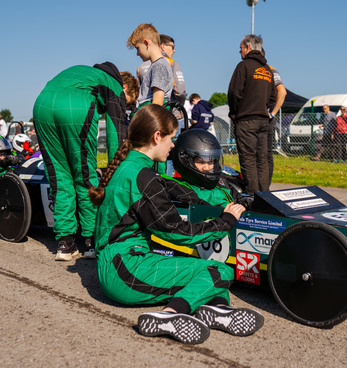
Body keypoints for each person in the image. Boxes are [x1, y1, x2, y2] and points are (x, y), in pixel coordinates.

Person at [88, 105, 263, 345]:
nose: (173, 145)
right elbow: (174, 231)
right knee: (220, 271)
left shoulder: (129, 166)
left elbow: (171, 189)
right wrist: (224, 222)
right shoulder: (143, 176)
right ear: (157, 136)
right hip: (125, 271)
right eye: (171, 138)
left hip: (117, 264)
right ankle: (170, 314)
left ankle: (218, 311)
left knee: (208, 273)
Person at [33, 61, 134, 261]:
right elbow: (114, 133)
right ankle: (90, 242)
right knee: (84, 176)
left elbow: (103, 134)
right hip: (73, 106)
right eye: (128, 102)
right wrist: (117, 169)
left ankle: (65, 244)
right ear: (125, 88)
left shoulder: (86, 74)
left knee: (60, 178)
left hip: (41, 105)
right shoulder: (114, 85)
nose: (125, 105)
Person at [228, 35, 276, 194]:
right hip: (263, 121)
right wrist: (263, 107)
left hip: (246, 120)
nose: (239, 51)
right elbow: (273, 97)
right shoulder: (268, 70)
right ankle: (264, 195)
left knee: (248, 159)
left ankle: (253, 197)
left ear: (248, 47)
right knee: (262, 159)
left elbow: (234, 93)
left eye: (241, 48)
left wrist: (235, 112)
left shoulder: (244, 66)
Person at [129, 24, 174, 107]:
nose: (137, 53)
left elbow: (157, 104)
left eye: (138, 48)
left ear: (146, 43)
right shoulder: (157, 65)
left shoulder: (159, 66)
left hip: (150, 116)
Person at [136, 34, 186, 106]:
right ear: (162, 46)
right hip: (166, 111)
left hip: (144, 110)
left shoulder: (140, 67)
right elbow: (180, 91)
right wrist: (179, 108)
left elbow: (138, 92)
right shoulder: (171, 63)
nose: (174, 50)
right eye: (172, 46)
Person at [261, 49, 287, 184]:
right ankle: (266, 186)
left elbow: (282, 92)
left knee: (261, 153)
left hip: (263, 118)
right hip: (267, 117)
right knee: (267, 153)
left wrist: (272, 113)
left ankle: (261, 188)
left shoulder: (269, 70)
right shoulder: (271, 70)